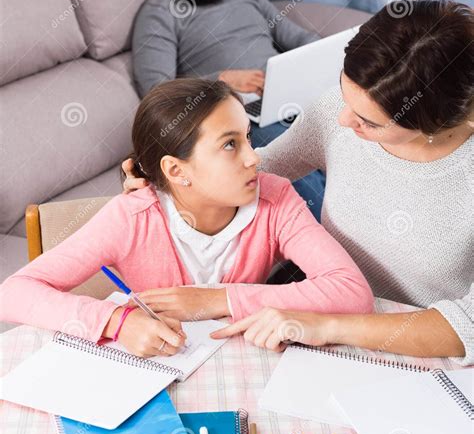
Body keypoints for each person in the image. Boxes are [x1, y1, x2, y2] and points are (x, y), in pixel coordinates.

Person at [126, 0, 474, 364]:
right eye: (344, 96)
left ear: (434, 124)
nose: (342, 121)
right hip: (318, 313)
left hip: (426, 353)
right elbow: (260, 172)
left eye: (368, 122)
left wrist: (326, 326)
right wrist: (166, 183)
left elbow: (467, 327)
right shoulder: (335, 114)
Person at [0, 79, 373, 358]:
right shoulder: (131, 217)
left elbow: (353, 293)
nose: (254, 157)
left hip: (243, 365)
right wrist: (118, 322)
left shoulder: (276, 200)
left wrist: (218, 299)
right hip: (159, 371)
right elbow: (13, 293)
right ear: (177, 171)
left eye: (246, 136)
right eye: (230, 144)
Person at [132, 0, 326, 217]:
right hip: (235, 112)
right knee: (297, 161)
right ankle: (342, 250)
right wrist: (223, 80)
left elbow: (304, 39)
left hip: (289, 94)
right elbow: (158, 93)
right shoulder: (159, 13)